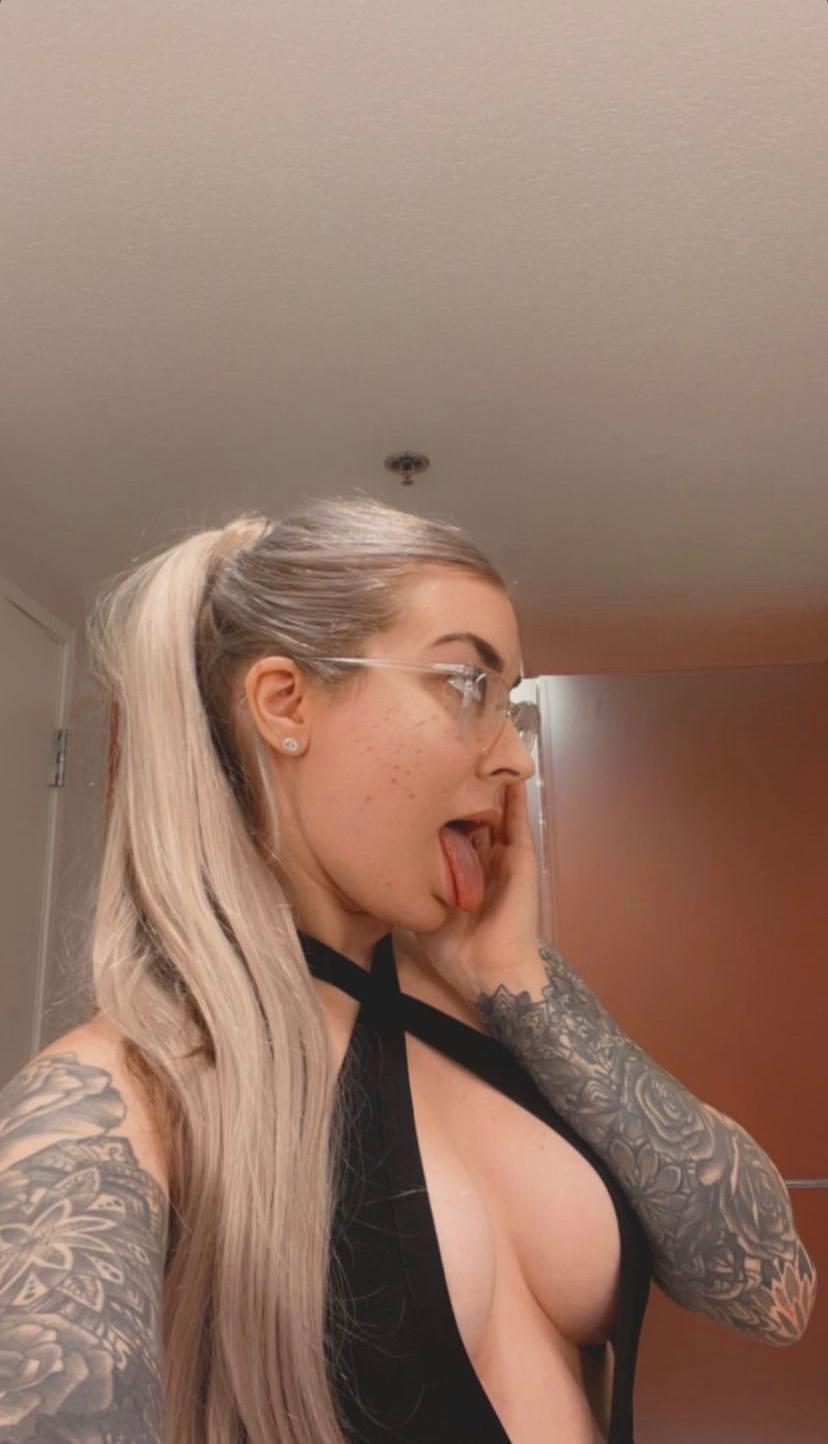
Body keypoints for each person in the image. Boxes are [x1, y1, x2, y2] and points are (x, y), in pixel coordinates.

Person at [0, 494, 652, 1444]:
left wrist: (524, 978)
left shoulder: (488, 1012)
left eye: (509, 706)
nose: (516, 759)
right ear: (285, 704)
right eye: (466, 685)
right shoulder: (118, 1102)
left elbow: (769, 1287)